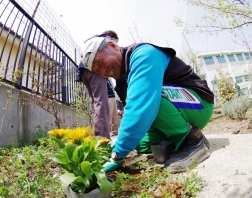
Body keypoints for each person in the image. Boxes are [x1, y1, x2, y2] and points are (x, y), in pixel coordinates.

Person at [82, 36, 214, 173]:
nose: (103, 72)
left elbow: (139, 107)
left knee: (148, 97)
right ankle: (181, 140)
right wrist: (118, 142)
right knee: (139, 144)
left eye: (100, 62)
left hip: (199, 104)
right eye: (98, 71)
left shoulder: (143, 54)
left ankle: (193, 142)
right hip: (180, 110)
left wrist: (119, 153)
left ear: (113, 46)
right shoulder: (122, 80)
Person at [76, 30, 119, 139]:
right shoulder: (105, 40)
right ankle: (103, 140)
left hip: (83, 71)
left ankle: (100, 137)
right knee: (101, 103)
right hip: (94, 69)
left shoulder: (92, 41)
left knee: (97, 104)